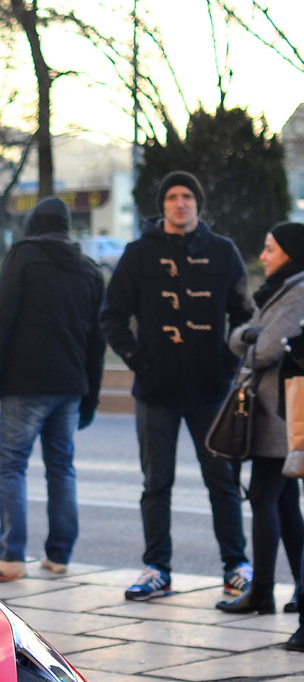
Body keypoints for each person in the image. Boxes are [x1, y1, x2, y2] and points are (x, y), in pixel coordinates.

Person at [102, 171, 256, 601]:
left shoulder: (222, 253)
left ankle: (236, 567)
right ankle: (157, 569)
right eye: (172, 196)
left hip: (212, 390)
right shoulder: (138, 254)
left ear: (197, 204)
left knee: (222, 481)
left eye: (187, 196)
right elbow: (111, 315)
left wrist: (229, 360)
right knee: (156, 484)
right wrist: (138, 359)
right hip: (156, 391)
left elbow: (246, 318)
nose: (180, 203)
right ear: (163, 205)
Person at [0, 197, 106, 582]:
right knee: (62, 467)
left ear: (34, 224)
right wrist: (91, 396)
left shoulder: (23, 257)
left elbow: (1, 321)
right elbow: (97, 341)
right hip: (70, 385)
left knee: (12, 465)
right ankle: (59, 555)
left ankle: (11, 556)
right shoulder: (89, 271)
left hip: (26, 382)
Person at [219, 223, 304, 617]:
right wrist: (252, 335)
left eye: (270, 249)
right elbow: (238, 337)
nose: (264, 256)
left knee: (264, 497)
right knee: (284, 502)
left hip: (283, 413)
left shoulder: (298, 290)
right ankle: (299, 590)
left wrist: (252, 336)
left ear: (290, 251)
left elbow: (265, 349)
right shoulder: (279, 290)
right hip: (272, 411)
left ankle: (262, 591)